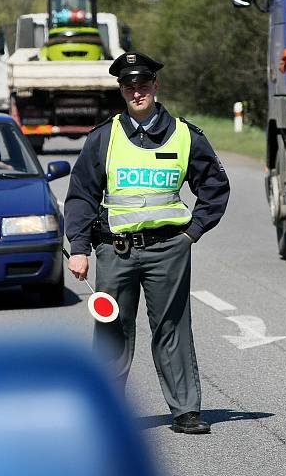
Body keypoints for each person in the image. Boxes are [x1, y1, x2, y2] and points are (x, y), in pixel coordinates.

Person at [65, 51, 230, 434]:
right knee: (112, 330)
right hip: (115, 249)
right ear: (121, 90)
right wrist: (79, 249)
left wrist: (191, 233)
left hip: (168, 249)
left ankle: (186, 410)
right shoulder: (104, 137)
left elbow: (215, 188)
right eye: (129, 85)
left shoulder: (187, 135)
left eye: (142, 84)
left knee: (172, 327)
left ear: (156, 86)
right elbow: (81, 196)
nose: (136, 91)